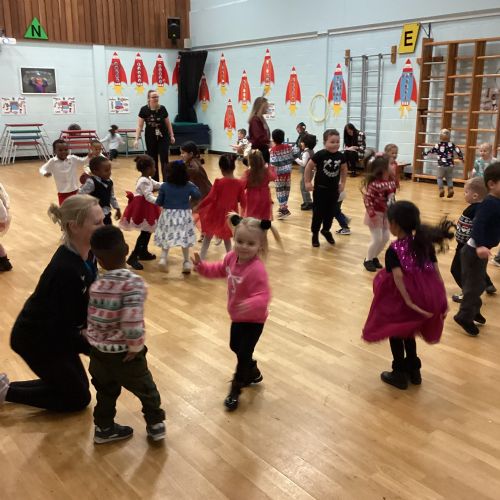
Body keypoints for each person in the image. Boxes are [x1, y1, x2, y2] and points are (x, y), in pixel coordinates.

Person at [0, 195, 103, 411]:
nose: (104, 226)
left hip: (56, 333)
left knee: (77, 387)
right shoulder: (66, 270)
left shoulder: (89, 254)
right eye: (97, 223)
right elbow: (61, 327)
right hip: (36, 339)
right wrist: (95, 349)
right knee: (78, 398)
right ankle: (5, 393)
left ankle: (4, 388)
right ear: (74, 227)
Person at [86, 225, 166, 444]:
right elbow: (132, 320)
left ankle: (104, 428)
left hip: (98, 353)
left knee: (105, 392)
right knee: (146, 389)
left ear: (98, 260)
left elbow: (93, 316)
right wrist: (135, 346)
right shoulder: (134, 284)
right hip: (124, 354)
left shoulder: (97, 284)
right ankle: (155, 424)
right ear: (127, 249)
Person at [193, 214, 280, 411]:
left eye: (250, 243)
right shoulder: (231, 258)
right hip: (237, 315)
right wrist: (202, 267)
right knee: (235, 346)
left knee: (243, 354)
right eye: (239, 241)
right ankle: (253, 371)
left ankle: (236, 388)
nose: (243, 246)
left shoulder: (257, 269)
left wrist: (251, 303)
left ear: (260, 246)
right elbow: (218, 269)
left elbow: (264, 295)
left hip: (255, 320)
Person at [362, 201, 452, 390]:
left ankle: (399, 373)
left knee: (396, 332)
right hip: (422, 293)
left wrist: (409, 302)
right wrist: (441, 298)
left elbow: (398, 277)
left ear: (394, 224)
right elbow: (436, 273)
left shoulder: (394, 249)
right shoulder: (424, 244)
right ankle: (414, 371)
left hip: (401, 298)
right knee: (409, 332)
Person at [454, 162, 500, 336]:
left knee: (478, 284)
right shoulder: (488, 203)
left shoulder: (497, 202)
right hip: (474, 251)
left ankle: (473, 311)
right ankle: (464, 316)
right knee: (475, 286)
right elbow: (478, 225)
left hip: (481, 251)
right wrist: (480, 245)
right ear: (492, 184)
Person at [450, 177, 496, 303]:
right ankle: (488, 284)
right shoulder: (482, 208)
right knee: (476, 268)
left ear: (475, 195)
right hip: (473, 245)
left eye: (466, 192)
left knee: (456, 269)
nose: (464, 194)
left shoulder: (477, 209)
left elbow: (479, 227)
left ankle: (467, 294)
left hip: (466, 247)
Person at [155, 160, 201, 274]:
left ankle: (163, 258)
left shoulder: (165, 186)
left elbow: (159, 202)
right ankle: (186, 262)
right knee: (184, 238)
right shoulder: (188, 185)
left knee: (166, 236)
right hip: (184, 214)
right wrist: (193, 186)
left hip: (168, 214)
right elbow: (197, 195)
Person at [304, 129, 348, 248]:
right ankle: (315, 233)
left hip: (333, 191)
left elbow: (344, 169)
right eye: (332, 142)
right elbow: (308, 167)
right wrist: (307, 182)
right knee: (318, 213)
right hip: (320, 190)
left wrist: (343, 183)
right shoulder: (320, 155)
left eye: (337, 142)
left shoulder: (341, 156)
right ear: (325, 143)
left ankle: (326, 230)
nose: (335, 144)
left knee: (330, 213)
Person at [198, 154, 245, 260]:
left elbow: (210, 198)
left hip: (216, 213)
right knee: (227, 239)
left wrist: (200, 206)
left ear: (221, 168)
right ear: (233, 167)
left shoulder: (218, 182)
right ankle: (231, 261)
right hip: (230, 215)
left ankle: (200, 260)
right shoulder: (239, 183)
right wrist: (244, 215)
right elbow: (243, 201)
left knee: (208, 237)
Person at [120, 154, 162, 270]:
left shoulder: (147, 179)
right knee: (145, 233)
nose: (155, 169)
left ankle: (143, 252)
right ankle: (133, 257)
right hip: (143, 208)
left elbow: (157, 185)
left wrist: (169, 184)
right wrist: (160, 201)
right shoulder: (143, 181)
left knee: (147, 231)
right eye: (154, 167)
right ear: (148, 169)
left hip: (147, 207)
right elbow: (148, 196)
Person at [362, 153, 397, 272]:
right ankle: (368, 260)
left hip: (386, 214)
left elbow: (392, 198)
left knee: (386, 237)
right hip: (375, 214)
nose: (394, 166)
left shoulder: (391, 182)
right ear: (383, 168)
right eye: (391, 164)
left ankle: (373, 257)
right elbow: (367, 200)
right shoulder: (375, 184)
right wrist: (372, 214)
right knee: (377, 238)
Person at [134, 90, 175, 182]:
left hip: (163, 136)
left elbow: (168, 123)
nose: (156, 98)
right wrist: (136, 139)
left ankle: (166, 181)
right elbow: (139, 126)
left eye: (157, 97)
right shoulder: (144, 109)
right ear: (148, 98)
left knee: (164, 158)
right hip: (150, 136)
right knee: (152, 159)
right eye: (153, 97)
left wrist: (172, 135)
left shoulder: (162, 108)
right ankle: (154, 181)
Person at [40, 139, 89, 205]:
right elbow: (42, 169)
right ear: (54, 151)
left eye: (66, 150)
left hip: (74, 190)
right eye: (60, 150)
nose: (63, 152)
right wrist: (44, 173)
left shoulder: (72, 158)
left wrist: (89, 157)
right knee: (64, 209)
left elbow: (83, 161)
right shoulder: (52, 161)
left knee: (76, 208)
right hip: (62, 192)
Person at [79, 156, 121, 225]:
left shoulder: (110, 182)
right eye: (106, 170)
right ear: (95, 171)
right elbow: (80, 195)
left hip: (106, 213)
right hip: (94, 214)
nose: (110, 172)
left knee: (108, 230)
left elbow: (111, 196)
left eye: (110, 170)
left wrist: (117, 208)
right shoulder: (91, 182)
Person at [422, 128, 463, 198]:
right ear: (449, 137)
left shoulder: (438, 145)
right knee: (449, 178)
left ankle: (441, 189)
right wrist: (461, 157)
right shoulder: (452, 144)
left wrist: (424, 153)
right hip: (450, 165)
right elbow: (458, 150)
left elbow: (431, 151)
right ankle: (450, 189)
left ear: (440, 137)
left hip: (441, 165)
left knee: (439, 177)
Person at [241, 149, 277, 220]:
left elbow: (242, 185)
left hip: (251, 197)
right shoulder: (266, 171)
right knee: (264, 216)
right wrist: (271, 168)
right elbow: (273, 177)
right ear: (261, 159)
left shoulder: (248, 172)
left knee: (251, 215)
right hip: (264, 196)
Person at [270, 129, 294, 219]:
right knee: (286, 190)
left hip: (279, 175)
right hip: (288, 173)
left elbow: (273, 164)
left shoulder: (273, 150)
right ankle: (283, 207)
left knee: (280, 191)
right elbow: (294, 155)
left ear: (273, 139)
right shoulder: (289, 147)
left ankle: (284, 210)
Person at [295, 133, 316, 211]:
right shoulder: (310, 151)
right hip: (309, 172)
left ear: (306, 143)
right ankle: (306, 201)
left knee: (304, 187)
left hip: (307, 172)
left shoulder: (306, 152)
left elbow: (303, 163)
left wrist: (296, 159)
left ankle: (308, 202)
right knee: (303, 186)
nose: (301, 143)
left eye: (302, 142)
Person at [248, 97, 271, 163]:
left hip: (263, 149)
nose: (267, 108)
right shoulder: (255, 120)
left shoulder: (260, 118)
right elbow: (258, 136)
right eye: (266, 107)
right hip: (259, 151)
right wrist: (269, 142)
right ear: (261, 107)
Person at [0, 182, 12, 272]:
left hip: (2, 219)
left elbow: (2, 209)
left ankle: (4, 262)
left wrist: (2, 220)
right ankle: (4, 261)